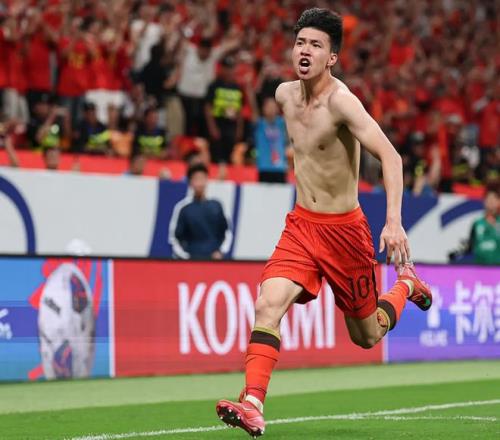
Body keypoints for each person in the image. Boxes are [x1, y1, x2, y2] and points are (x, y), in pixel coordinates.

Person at [215, 8, 433, 437]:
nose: (305, 50)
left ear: (332, 57)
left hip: (344, 233)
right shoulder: (283, 95)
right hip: (301, 226)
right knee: (267, 304)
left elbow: (391, 157)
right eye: (301, 42)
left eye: (316, 45)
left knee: (367, 335)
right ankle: (253, 404)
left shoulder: (342, 102)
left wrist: (393, 222)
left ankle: (406, 284)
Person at [169, 163, 232, 260]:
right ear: (190, 182)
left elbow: (227, 232)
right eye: (196, 179)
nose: (200, 183)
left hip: (214, 260)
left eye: (202, 178)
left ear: (207, 180)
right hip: (191, 260)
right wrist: (187, 257)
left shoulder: (217, 205)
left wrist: (221, 251)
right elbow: (174, 238)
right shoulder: (183, 208)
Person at [468, 183, 500, 265]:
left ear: (498, 201)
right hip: (480, 268)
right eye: (488, 199)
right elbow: (470, 246)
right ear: (484, 201)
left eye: (494, 199)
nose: (491, 202)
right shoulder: (477, 224)